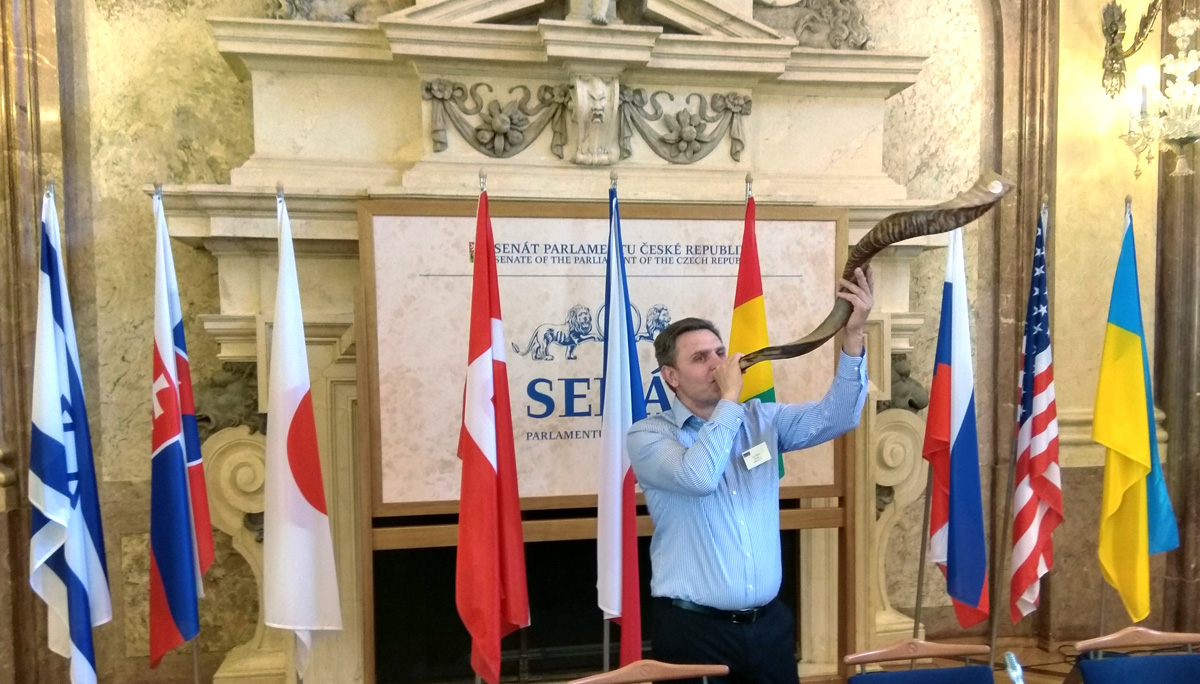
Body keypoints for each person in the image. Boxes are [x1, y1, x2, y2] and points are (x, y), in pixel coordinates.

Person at [627, 267, 875, 684]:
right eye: (700, 358)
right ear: (671, 376)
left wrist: (852, 338)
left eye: (719, 353)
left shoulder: (762, 420)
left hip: (769, 628)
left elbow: (840, 416)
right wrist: (729, 399)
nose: (718, 364)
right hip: (693, 632)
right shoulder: (649, 435)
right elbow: (699, 477)